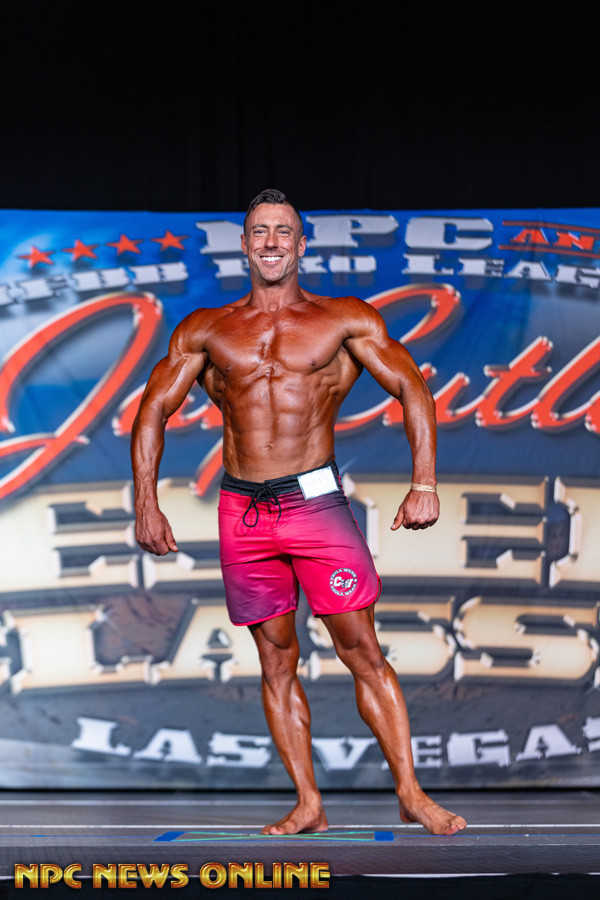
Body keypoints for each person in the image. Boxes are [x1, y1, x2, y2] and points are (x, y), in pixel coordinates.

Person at [131, 189, 466, 837]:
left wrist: (424, 482)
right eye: (260, 232)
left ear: (301, 244)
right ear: (244, 244)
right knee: (276, 661)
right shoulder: (206, 329)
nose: (271, 242)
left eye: (283, 231)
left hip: (315, 505)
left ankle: (411, 793)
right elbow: (152, 410)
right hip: (243, 510)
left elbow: (411, 387)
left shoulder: (343, 320)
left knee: (361, 648)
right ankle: (309, 803)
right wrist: (146, 502)